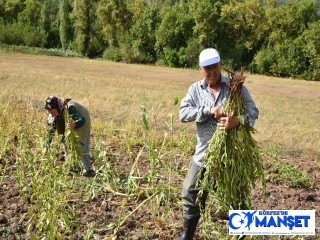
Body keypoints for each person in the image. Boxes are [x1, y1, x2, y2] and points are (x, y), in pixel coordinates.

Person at [178, 48, 259, 240]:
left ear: (220, 65)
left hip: (232, 155)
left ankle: (242, 236)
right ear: (201, 69)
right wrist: (208, 110)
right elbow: (183, 114)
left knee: (237, 196)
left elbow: (253, 112)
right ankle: (187, 235)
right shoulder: (195, 90)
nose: (212, 71)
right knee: (190, 191)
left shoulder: (235, 88)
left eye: (215, 66)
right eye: (207, 68)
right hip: (204, 153)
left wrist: (237, 120)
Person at [42, 96, 94, 177]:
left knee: (82, 146)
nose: (50, 111)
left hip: (82, 122)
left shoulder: (70, 108)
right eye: (48, 110)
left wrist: (75, 124)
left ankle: (87, 169)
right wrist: (46, 146)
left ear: (57, 107)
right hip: (70, 125)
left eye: (51, 109)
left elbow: (81, 119)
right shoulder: (52, 115)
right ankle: (72, 166)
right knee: (66, 143)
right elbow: (51, 131)